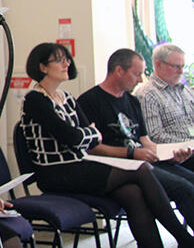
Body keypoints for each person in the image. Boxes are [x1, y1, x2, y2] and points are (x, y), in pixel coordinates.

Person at [20, 42, 194, 248]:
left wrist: (84, 134)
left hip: (79, 164)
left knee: (134, 194)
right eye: (59, 60)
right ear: (43, 67)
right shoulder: (35, 99)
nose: (67, 63)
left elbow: (90, 136)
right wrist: (86, 133)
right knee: (141, 169)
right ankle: (185, 239)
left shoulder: (66, 98)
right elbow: (74, 138)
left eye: (67, 58)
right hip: (56, 173)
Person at [78, 48, 194, 226]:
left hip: (144, 160)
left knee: (189, 182)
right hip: (119, 167)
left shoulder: (132, 101)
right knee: (183, 188)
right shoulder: (89, 101)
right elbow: (91, 148)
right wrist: (132, 153)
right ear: (119, 71)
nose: (140, 80)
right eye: (137, 74)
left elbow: (146, 141)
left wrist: (171, 154)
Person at [135, 44, 194, 171]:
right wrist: (188, 143)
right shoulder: (147, 95)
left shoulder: (184, 90)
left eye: (182, 66)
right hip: (171, 155)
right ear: (158, 65)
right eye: (176, 67)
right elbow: (155, 135)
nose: (181, 72)